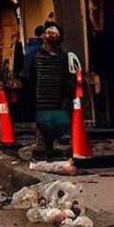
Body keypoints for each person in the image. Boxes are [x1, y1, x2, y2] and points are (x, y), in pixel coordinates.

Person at [30, 25, 74, 158]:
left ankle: (56, 148)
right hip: (41, 97)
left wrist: (68, 95)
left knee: (59, 124)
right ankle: (43, 148)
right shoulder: (34, 55)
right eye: (48, 32)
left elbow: (69, 76)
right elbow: (29, 74)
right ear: (43, 36)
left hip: (59, 97)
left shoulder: (65, 56)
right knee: (43, 125)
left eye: (55, 33)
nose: (51, 35)